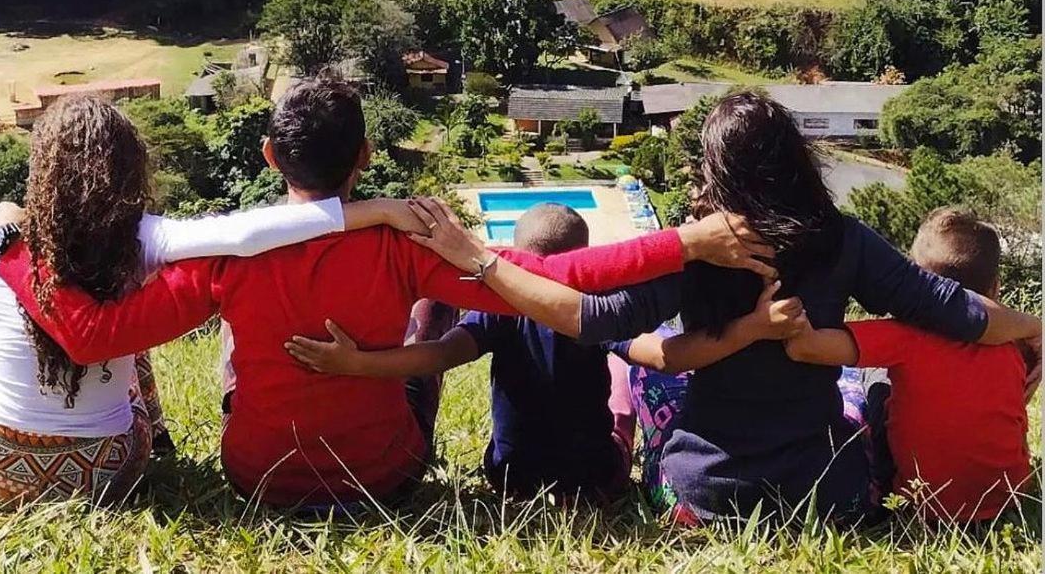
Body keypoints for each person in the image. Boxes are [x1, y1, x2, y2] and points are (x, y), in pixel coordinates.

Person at [0, 75, 775, 511]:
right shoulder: (409, 245)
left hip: (260, 477)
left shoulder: (221, 259)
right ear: (365, 156)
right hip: (383, 474)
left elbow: (99, 335)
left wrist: (10, 253)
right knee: (434, 325)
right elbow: (558, 274)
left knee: (247, 337)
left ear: (269, 155)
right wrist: (687, 240)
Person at [402, 92, 1042, 525]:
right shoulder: (842, 238)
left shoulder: (705, 246)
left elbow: (587, 318)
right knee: (856, 395)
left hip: (701, 493)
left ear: (719, 173)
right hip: (824, 491)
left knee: (651, 383)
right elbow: (950, 308)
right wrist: (1036, 327)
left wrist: (481, 263)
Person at [0, 93, 432, 508]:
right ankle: (159, 434)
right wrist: (373, 210)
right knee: (131, 333)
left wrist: (5, 234)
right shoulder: (143, 241)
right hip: (109, 470)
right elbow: (245, 235)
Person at [287, 201, 809, 503]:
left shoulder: (498, 308)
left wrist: (356, 363)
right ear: (579, 259)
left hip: (510, 478)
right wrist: (752, 327)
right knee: (626, 375)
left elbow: (437, 357)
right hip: (595, 481)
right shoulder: (595, 306)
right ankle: (622, 437)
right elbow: (666, 357)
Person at [785, 207, 1036, 522]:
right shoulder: (1016, 342)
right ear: (995, 287)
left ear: (915, 284)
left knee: (874, 378)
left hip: (920, 505)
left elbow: (806, 348)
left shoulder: (903, 336)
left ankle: (878, 476)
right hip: (1007, 499)